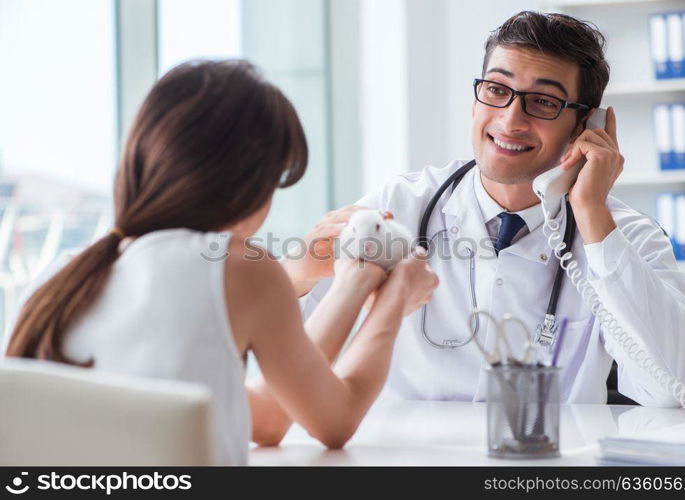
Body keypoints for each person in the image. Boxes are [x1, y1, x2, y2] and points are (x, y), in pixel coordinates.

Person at [1, 59, 438, 464]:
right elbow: (334, 419)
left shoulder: (60, 277)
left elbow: (268, 417)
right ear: (249, 183)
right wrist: (394, 296)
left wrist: (350, 280)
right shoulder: (241, 266)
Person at [282, 11, 685, 407]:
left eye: (543, 102)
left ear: (585, 125)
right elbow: (284, 352)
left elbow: (677, 389)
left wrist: (590, 213)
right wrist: (298, 274)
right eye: (497, 91)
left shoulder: (624, 235)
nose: (510, 120)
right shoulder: (398, 207)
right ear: (477, 99)